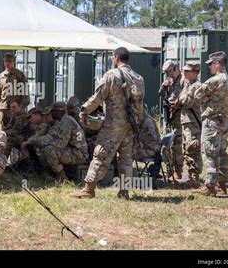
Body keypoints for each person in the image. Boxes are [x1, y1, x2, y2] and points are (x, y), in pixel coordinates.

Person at [71, 47, 145, 200]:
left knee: (101, 154)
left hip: (114, 123)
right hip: (131, 123)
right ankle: (124, 192)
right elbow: (140, 103)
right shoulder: (139, 77)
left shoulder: (112, 75)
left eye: (113, 58)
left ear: (116, 58)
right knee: (126, 157)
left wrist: (84, 110)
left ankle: (88, 189)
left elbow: (98, 96)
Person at [194, 52, 228, 196]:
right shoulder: (227, 79)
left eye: (210, 64)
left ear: (217, 64)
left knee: (209, 152)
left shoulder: (215, 80)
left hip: (213, 121)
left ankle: (210, 187)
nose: (209, 67)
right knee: (222, 152)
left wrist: (206, 98)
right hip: (224, 121)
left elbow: (197, 94)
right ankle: (221, 185)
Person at [26, 101, 88, 182]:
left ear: (58, 111)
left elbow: (61, 144)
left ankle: (63, 178)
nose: (51, 114)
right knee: (47, 148)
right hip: (73, 151)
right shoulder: (61, 121)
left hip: (79, 154)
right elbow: (52, 137)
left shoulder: (67, 121)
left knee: (49, 150)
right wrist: (38, 142)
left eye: (52, 112)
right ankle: (54, 175)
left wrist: (43, 143)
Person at [173, 61, 203, 188]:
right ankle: (190, 176)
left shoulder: (196, 86)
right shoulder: (187, 84)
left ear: (195, 73)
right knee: (186, 149)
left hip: (193, 124)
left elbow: (186, 102)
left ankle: (195, 178)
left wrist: (179, 100)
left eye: (187, 71)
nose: (184, 72)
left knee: (193, 148)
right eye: (184, 70)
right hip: (186, 123)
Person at [159, 60, 185, 181]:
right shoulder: (170, 81)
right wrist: (163, 88)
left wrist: (178, 105)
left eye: (171, 73)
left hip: (179, 118)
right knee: (165, 145)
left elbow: (189, 98)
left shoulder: (184, 81)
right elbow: (162, 96)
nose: (170, 75)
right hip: (168, 117)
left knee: (177, 146)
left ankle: (178, 171)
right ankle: (169, 170)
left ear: (176, 68)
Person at [0, 53, 29, 129]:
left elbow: (25, 93)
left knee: (15, 130)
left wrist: (21, 107)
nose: (7, 63)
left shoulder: (19, 75)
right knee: (4, 131)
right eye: (5, 61)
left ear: (13, 62)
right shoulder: (1, 76)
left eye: (9, 61)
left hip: (15, 108)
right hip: (3, 108)